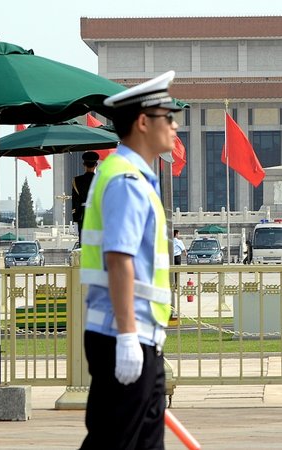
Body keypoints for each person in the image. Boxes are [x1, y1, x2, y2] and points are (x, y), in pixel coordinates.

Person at [79, 70, 181, 449]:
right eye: (167, 117)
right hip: (122, 334)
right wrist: (126, 337)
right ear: (142, 122)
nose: (173, 126)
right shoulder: (125, 180)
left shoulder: (134, 177)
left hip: (143, 336)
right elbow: (119, 259)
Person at [72, 151, 99, 244]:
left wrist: (76, 219)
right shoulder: (101, 179)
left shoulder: (77, 180)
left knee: (84, 244)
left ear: (84, 164)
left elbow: (75, 202)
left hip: (83, 215)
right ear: (96, 164)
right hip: (98, 215)